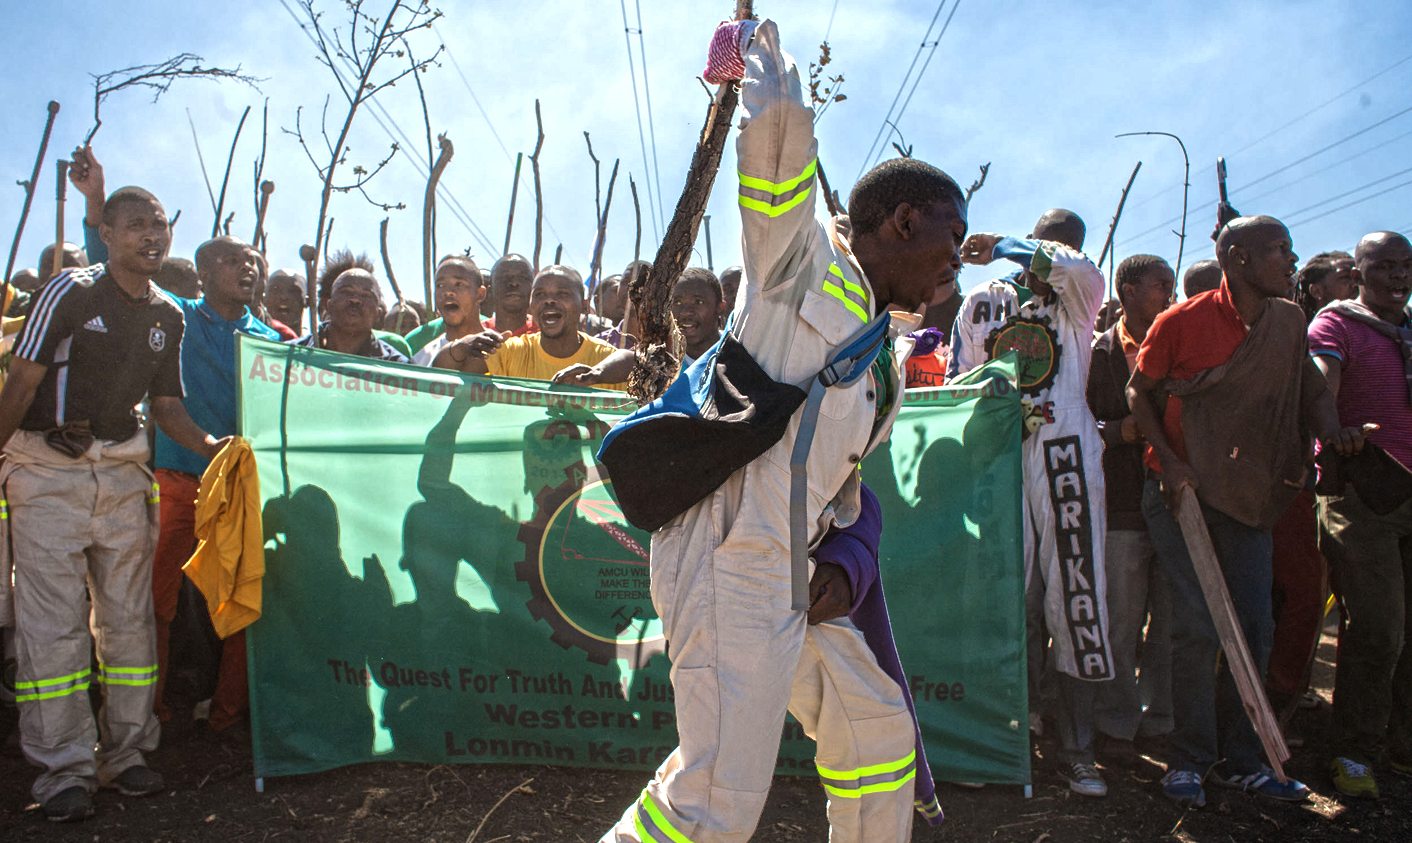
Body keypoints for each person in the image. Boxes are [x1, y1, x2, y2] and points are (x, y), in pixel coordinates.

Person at [600, 18, 966, 841]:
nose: (959, 258)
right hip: (730, 554)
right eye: (950, 233)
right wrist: (762, 63)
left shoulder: (885, 365)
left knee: (876, 729)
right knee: (715, 797)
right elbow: (777, 164)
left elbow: (843, 493)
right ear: (902, 222)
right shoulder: (796, 264)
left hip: (788, 570)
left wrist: (842, 563)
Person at [0, 186, 230, 822]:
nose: (151, 235)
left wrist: (214, 447)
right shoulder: (69, 292)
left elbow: (165, 407)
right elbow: (22, 378)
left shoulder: (168, 315)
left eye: (159, 223)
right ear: (107, 232)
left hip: (123, 474)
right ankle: (63, 768)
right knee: (53, 627)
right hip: (47, 471)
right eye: (136, 225)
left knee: (128, 620)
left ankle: (125, 754)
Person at [1128, 215, 1367, 808]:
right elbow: (1140, 391)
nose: (1290, 261)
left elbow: (1310, 389)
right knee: (1196, 628)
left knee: (1255, 627)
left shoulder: (1288, 321)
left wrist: (1332, 430)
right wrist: (1171, 461)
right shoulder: (1180, 322)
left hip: (1251, 497)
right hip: (1181, 497)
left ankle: (1242, 759)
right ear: (1236, 258)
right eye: (1277, 251)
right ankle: (1186, 760)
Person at [956, 218, 1116, 798]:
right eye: (1051, 241)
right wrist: (996, 416)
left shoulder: (1080, 300)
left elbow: (1071, 268)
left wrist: (1003, 246)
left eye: (1070, 242)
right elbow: (962, 383)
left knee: (1077, 599)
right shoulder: (983, 303)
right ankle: (1007, 738)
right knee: (1004, 599)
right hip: (1000, 462)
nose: (1060, 254)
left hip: (1067, 457)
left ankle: (1078, 750)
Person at [149, 236, 280, 731]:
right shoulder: (173, 316)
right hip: (178, 480)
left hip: (242, 492)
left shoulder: (271, 341)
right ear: (202, 274)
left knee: (243, 600)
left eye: (252, 261)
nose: (246, 268)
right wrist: (96, 207)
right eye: (232, 260)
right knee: (155, 603)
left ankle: (227, 716)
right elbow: (114, 273)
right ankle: (146, 714)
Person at [1307, 231, 1412, 799]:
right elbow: (1321, 388)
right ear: (1358, 272)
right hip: (1362, 493)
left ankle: (1400, 744)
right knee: (1377, 629)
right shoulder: (1336, 325)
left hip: (1410, 492)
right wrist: (1334, 433)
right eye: (1384, 267)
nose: (1398, 277)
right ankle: (1352, 752)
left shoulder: (1409, 330)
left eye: (1407, 267)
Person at [1087, 254, 1175, 751]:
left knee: (1168, 621)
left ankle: (1159, 720)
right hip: (1120, 506)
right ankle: (1116, 722)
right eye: (1161, 285)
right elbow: (1074, 426)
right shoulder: (1096, 352)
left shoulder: (1180, 344)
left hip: (1177, 504)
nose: (1171, 293)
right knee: (1120, 622)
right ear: (1128, 290)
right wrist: (1120, 431)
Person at [948, 208, 1085, 379]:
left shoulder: (1082, 305)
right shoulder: (981, 300)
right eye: (1042, 248)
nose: (1048, 269)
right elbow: (956, 385)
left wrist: (1001, 245)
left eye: (1064, 257)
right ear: (1028, 243)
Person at [434, 265, 621, 388]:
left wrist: (597, 375)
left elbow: (635, 369)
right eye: (539, 294)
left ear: (584, 306)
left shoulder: (606, 360)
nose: (549, 301)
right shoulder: (511, 351)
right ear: (531, 306)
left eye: (562, 294)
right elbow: (440, 377)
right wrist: (461, 346)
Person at [291, 269, 409, 362]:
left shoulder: (398, 368)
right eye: (346, 292)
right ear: (329, 305)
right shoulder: (290, 355)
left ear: (378, 314)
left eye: (366, 295)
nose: (355, 300)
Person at [414, 256, 488, 366]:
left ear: (480, 294)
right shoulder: (421, 360)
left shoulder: (504, 352)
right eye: (440, 285)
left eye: (459, 284)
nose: (448, 292)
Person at [669, 267, 724, 366]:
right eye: (677, 302)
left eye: (698, 302)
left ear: (719, 307)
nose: (685, 312)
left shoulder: (742, 353)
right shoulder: (660, 366)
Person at [1294, 250, 1355, 322]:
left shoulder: (1367, 322)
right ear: (1316, 291)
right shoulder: (1322, 330)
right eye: (1345, 277)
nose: (1357, 283)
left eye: (1358, 276)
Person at [486, 254, 537, 336]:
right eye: (504, 277)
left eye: (523, 278)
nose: (514, 283)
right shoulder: (475, 335)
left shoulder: (547, 336)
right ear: (490, 291)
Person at [263, 269, 307, 334]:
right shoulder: (250, 338)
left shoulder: (315, 342)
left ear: (306, 301)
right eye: (275, 289)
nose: (283, 297)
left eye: (293, 291)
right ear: (264, 299)